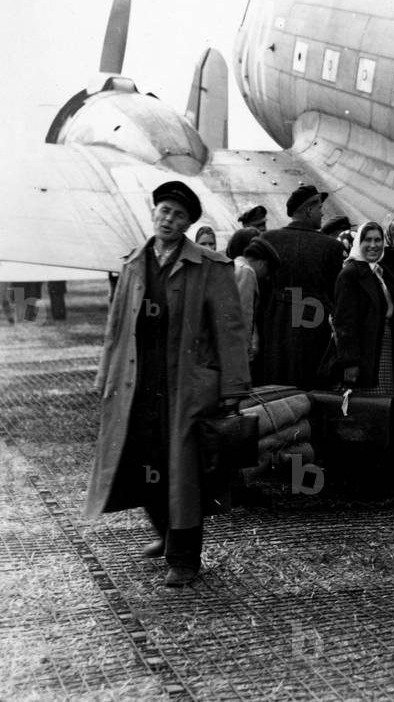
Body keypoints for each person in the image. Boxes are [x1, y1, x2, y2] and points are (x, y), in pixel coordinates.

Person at [84, 181, 250, 587]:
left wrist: (232, 389)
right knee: (145, 464)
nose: (168, 219)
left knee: (185, 473)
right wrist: (105, 377)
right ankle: (165, 533)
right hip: (138, 387)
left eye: (178, 215)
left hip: (187, 391)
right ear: (153, 213)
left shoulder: (210, 267)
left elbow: (230, 332)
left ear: (189, 223)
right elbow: (116, 329)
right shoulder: (133, 265)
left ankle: (185, 559)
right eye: (163, 211)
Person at [259, 184, 347, 389]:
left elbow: (260, 290)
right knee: (311, 387)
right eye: (319, 208)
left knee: (275, 385)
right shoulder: (332, 246)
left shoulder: (267, 239)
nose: (322, 213)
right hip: (313, 327)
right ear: (308, 210)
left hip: (275, 327)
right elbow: (336, 297)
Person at [331, 222, 394, 399]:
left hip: (383, 344)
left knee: (384, 400)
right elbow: (344, 321)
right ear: (359, 242)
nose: (373, 245)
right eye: (368, 240)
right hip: (365, 350)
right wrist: (350, 362)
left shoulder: (380, 272)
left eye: (378, 240)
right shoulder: (351, 273)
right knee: (370, 402)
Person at [234, 236, 280, 364]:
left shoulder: (234, 265)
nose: (266, 277)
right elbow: (244, 316)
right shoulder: (247, 273)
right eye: (267, 271)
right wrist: (247, 351)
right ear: (261, 263)